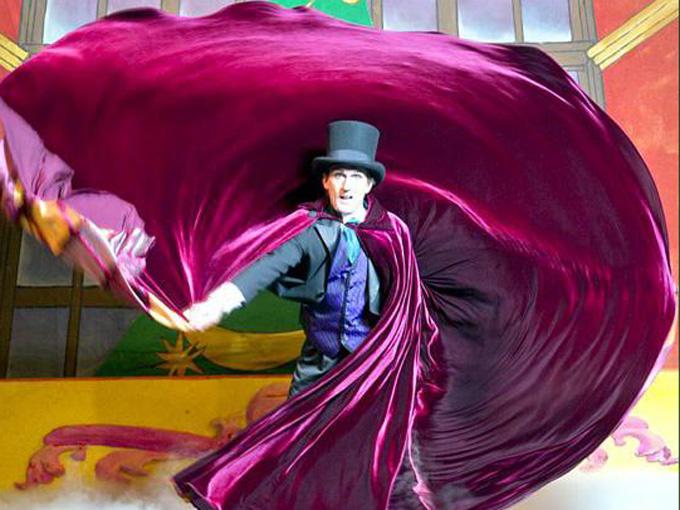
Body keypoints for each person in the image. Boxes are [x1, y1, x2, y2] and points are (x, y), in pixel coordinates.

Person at [184, 120, 386, 396]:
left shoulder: (391, 232)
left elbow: (409, 291)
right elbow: (268, 264)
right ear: (325, 181)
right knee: (298, 420)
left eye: (356, 177)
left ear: (369, 184)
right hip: (321, 355)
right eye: (339, 175)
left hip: (371, 357)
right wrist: (217, 304)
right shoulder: (308, 228)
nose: (346, 186)